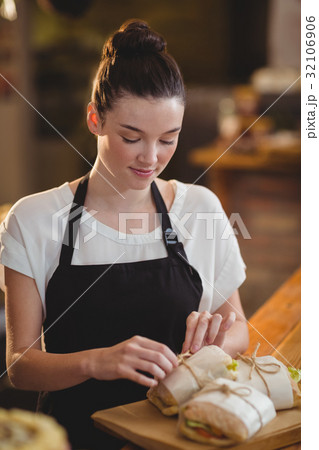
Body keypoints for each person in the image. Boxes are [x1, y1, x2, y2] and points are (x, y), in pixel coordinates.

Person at [0, 19, 249, 450]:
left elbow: (241, 329)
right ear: (95, 119)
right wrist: (99, 361)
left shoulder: (200, 209)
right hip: (75, 437)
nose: (150, 158)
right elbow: (21, 366)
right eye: (131, 137)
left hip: (181, 436)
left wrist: (209, 351)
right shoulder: (34, 218)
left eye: (168, 140)